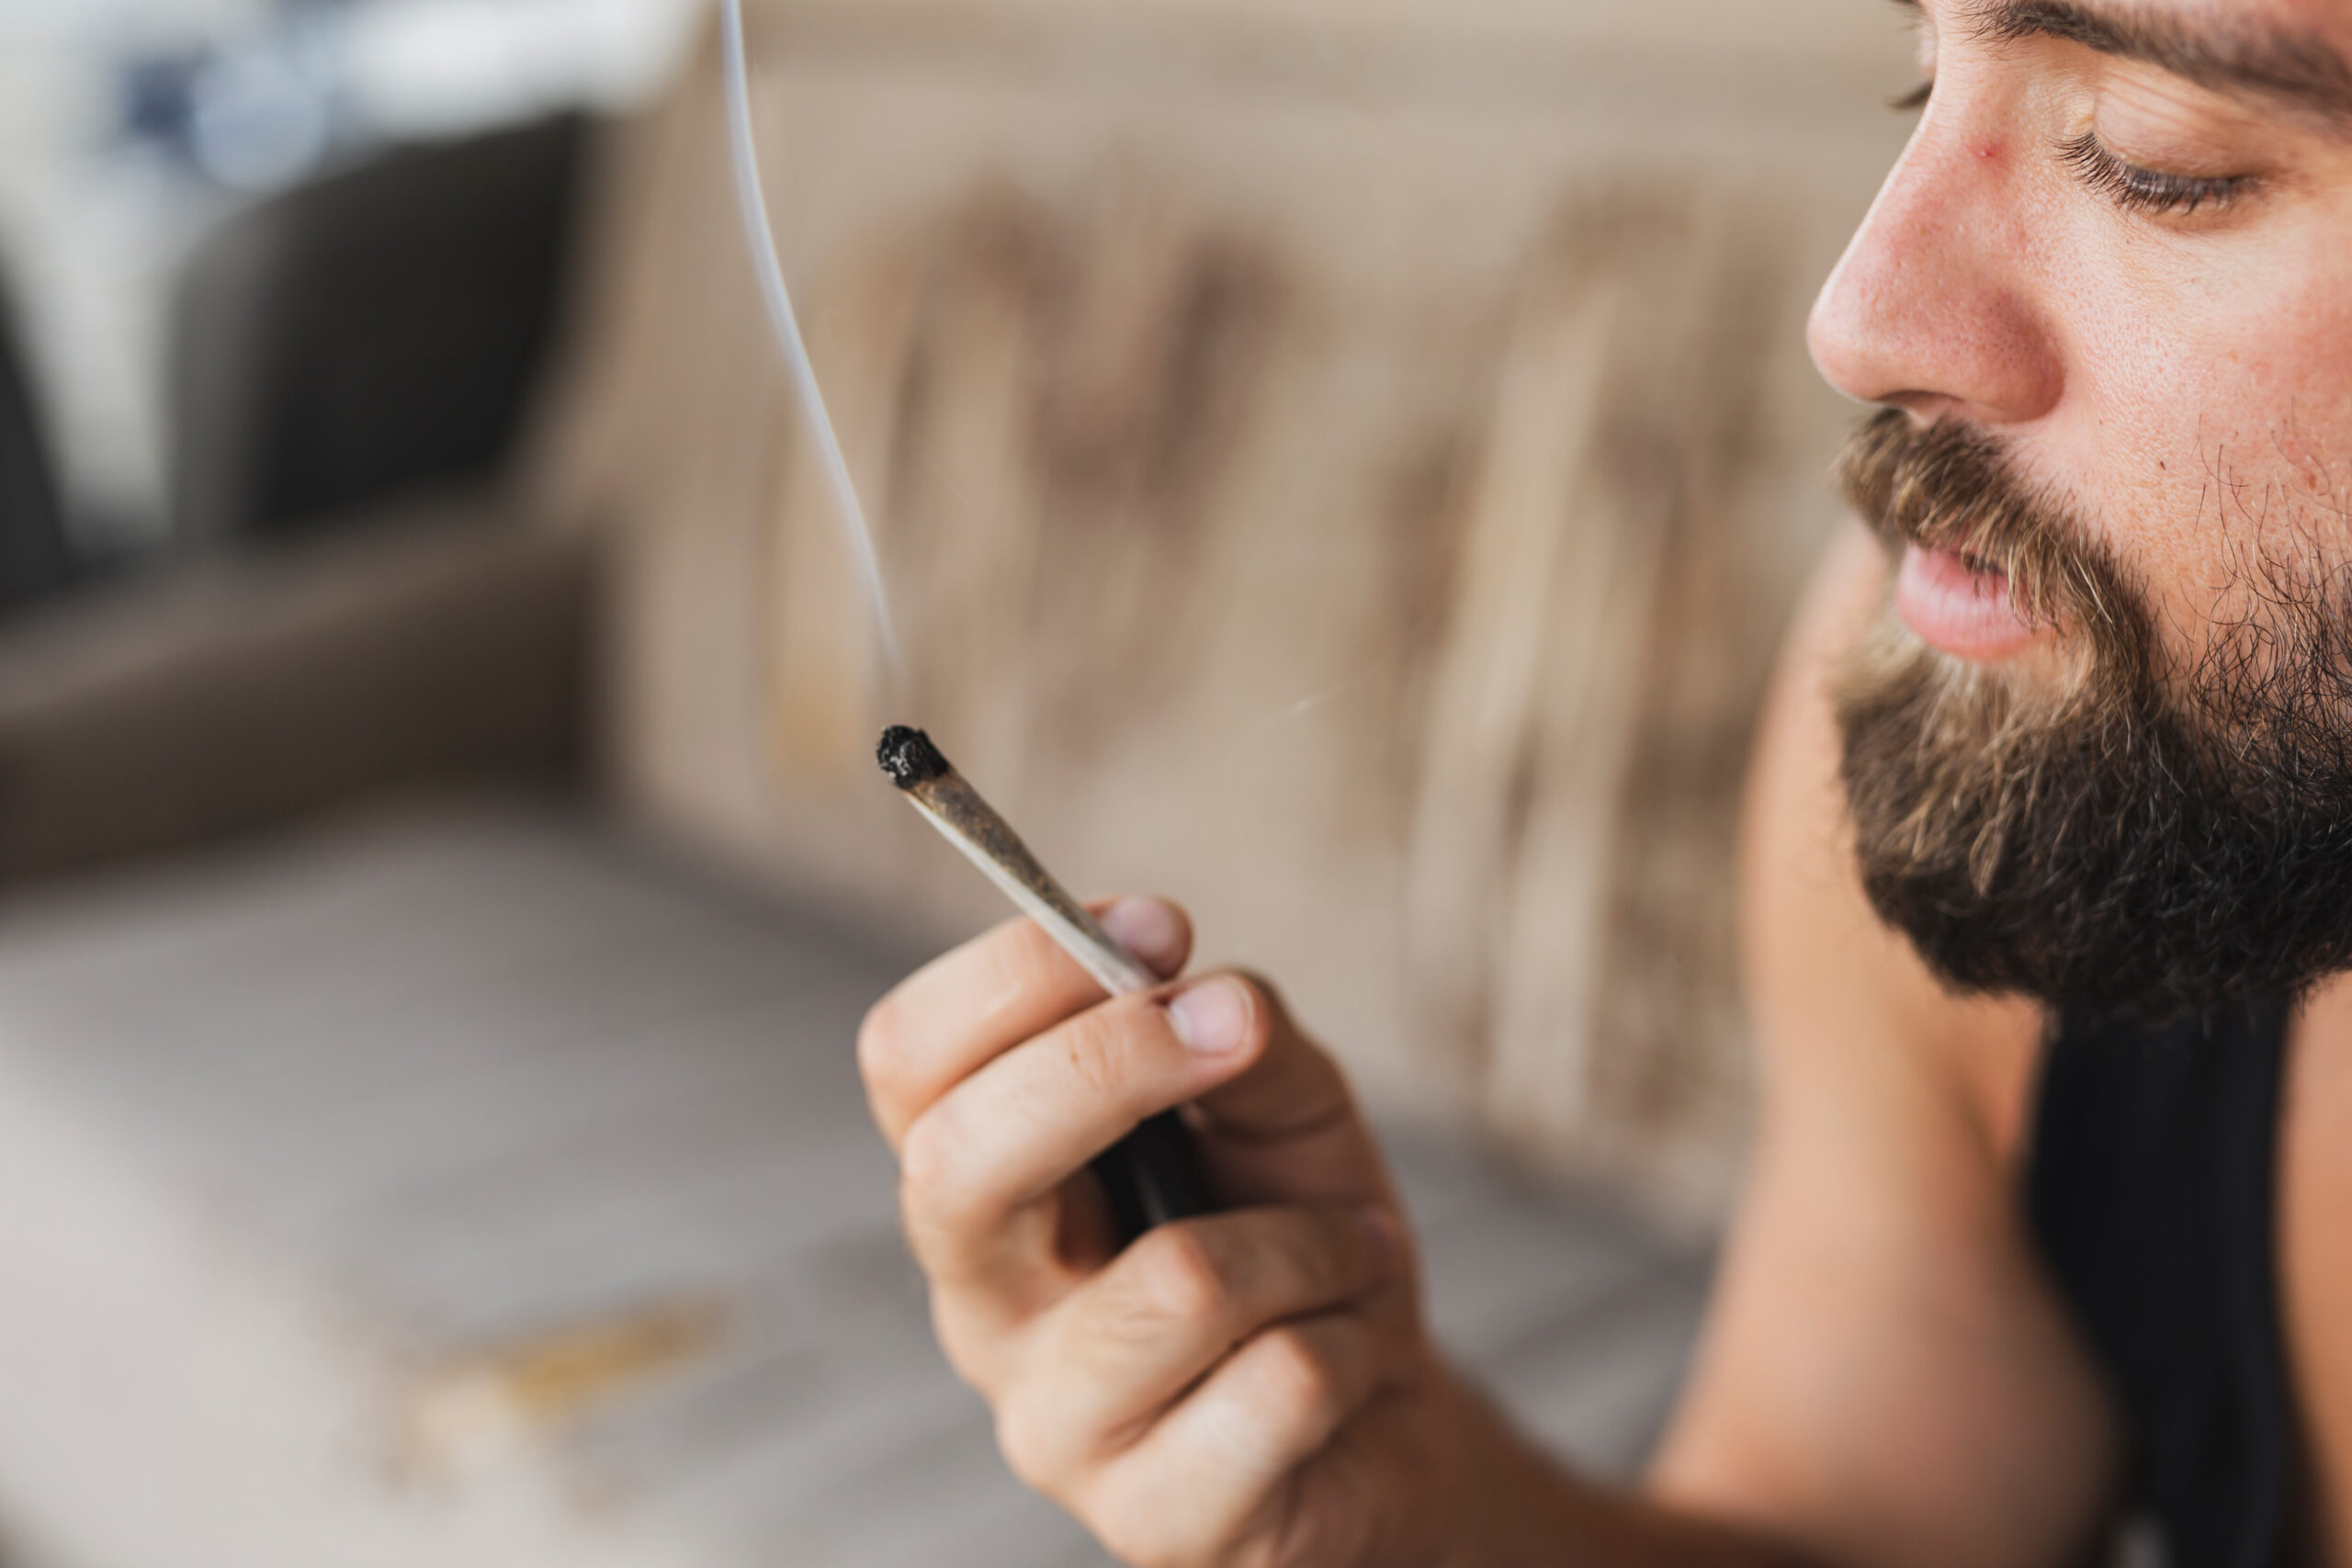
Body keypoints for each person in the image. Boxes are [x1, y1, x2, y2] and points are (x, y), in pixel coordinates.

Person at [854, 0, 2352, 1561]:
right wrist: (1416, 1512)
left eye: (2151, 156)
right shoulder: (2017, 693)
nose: (1858, 320)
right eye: (1922, 67)